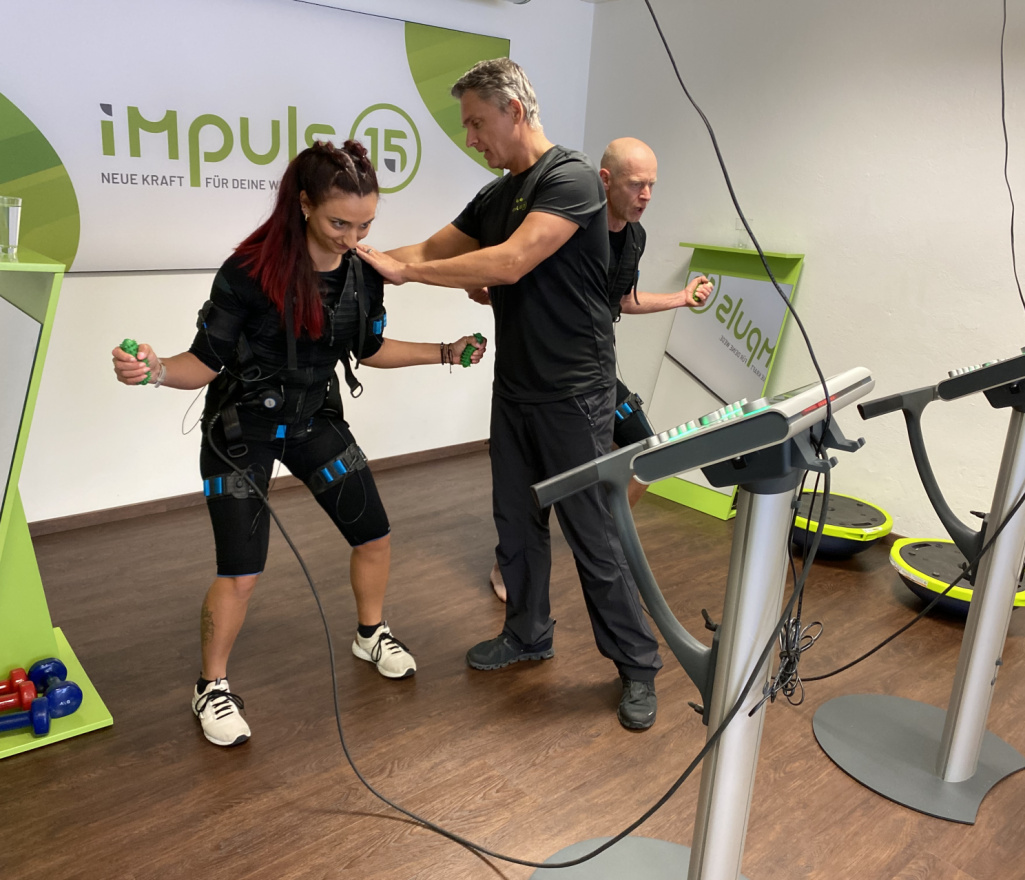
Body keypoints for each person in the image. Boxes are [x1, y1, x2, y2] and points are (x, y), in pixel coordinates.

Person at [112, 141, 486, 748]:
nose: (353, 238)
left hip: (315, 419)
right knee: (241, 572)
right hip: (242, 429)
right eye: (340, 224)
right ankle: (210, 685)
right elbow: (203, 363)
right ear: (305, 204)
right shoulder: (248, 271)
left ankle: (370, 634)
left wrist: (444, 352)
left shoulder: (364, 272)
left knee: (374, 536)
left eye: (366, 225)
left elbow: (368, 349)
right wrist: (154, 370)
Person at [357, 59, 662, 730]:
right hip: (516, 388)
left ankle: (637, 665)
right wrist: (355, 258)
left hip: (575, 392)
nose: (470, 138)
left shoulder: (570, 179)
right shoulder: (497, 196)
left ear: (514, 111)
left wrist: (411, 273)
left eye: (475, 123)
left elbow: (511, 261)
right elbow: (428, 248)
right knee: (516, 524)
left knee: (591, 534)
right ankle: (527, 634)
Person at [487, 137, 713, 602]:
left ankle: (599, 543)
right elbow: (516, 273)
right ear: (605, 181)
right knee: (537, 475)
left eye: (652, 185)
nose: (645, 195)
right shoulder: (564, 226)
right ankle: (509, 561)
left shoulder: (635, 237)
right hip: (545, 374)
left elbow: (622, 300)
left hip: (595, 373)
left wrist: (681, 298)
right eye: (636, 185)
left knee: (648, 452)